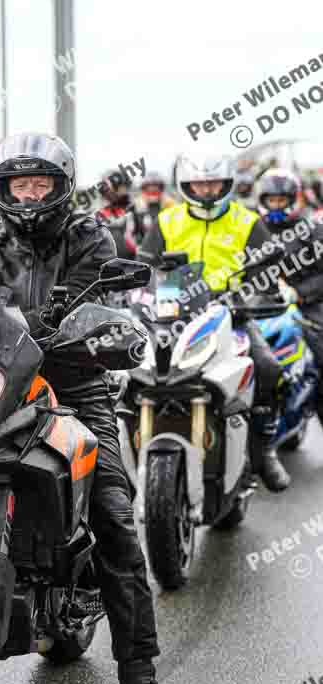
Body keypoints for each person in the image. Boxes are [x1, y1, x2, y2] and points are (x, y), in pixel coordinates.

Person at [0, 132, 167, 684]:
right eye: (17, 184)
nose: (28, 195)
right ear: (1, 190)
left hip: (73, 384)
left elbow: (86, 306)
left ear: (60, 187)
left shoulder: (88, 235)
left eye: (39, 184)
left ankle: (139, 674)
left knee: (115, 516)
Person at [141, 152, 290, 492]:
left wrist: (251, 295)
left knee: (267, 368)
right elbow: (146, 270)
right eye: (198, 184)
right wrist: (146, 297)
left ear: (226, 184)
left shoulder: (247, 221)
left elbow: (266, 270)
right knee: (129, 373)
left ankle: (264, 451)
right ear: (185, 186)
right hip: (174, 316)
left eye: (213, 183)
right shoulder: (167, 220)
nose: (206, 190)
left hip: (231, 313)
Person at [256, 168, 323, 425]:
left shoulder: (314, 229)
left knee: (319, 354)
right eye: (271, 200)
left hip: (307, 306)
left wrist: (299, 292)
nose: (275, 205)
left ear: (293, 199)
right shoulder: (253, 227)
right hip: (258, 306)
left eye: (281, 200)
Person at [95, 169, 141, 260]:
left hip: (131, 263)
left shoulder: (134, 212)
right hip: (102, 265)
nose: (121, 191)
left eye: (123, 187)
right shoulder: (95, 215)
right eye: (118, 187)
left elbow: (143, 239)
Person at [135, 171, 175, 238]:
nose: (153, 189)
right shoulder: (136, 206)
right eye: (149, 186)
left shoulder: (170, 204)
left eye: (155, 186)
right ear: (144, 188)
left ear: (161, 188)